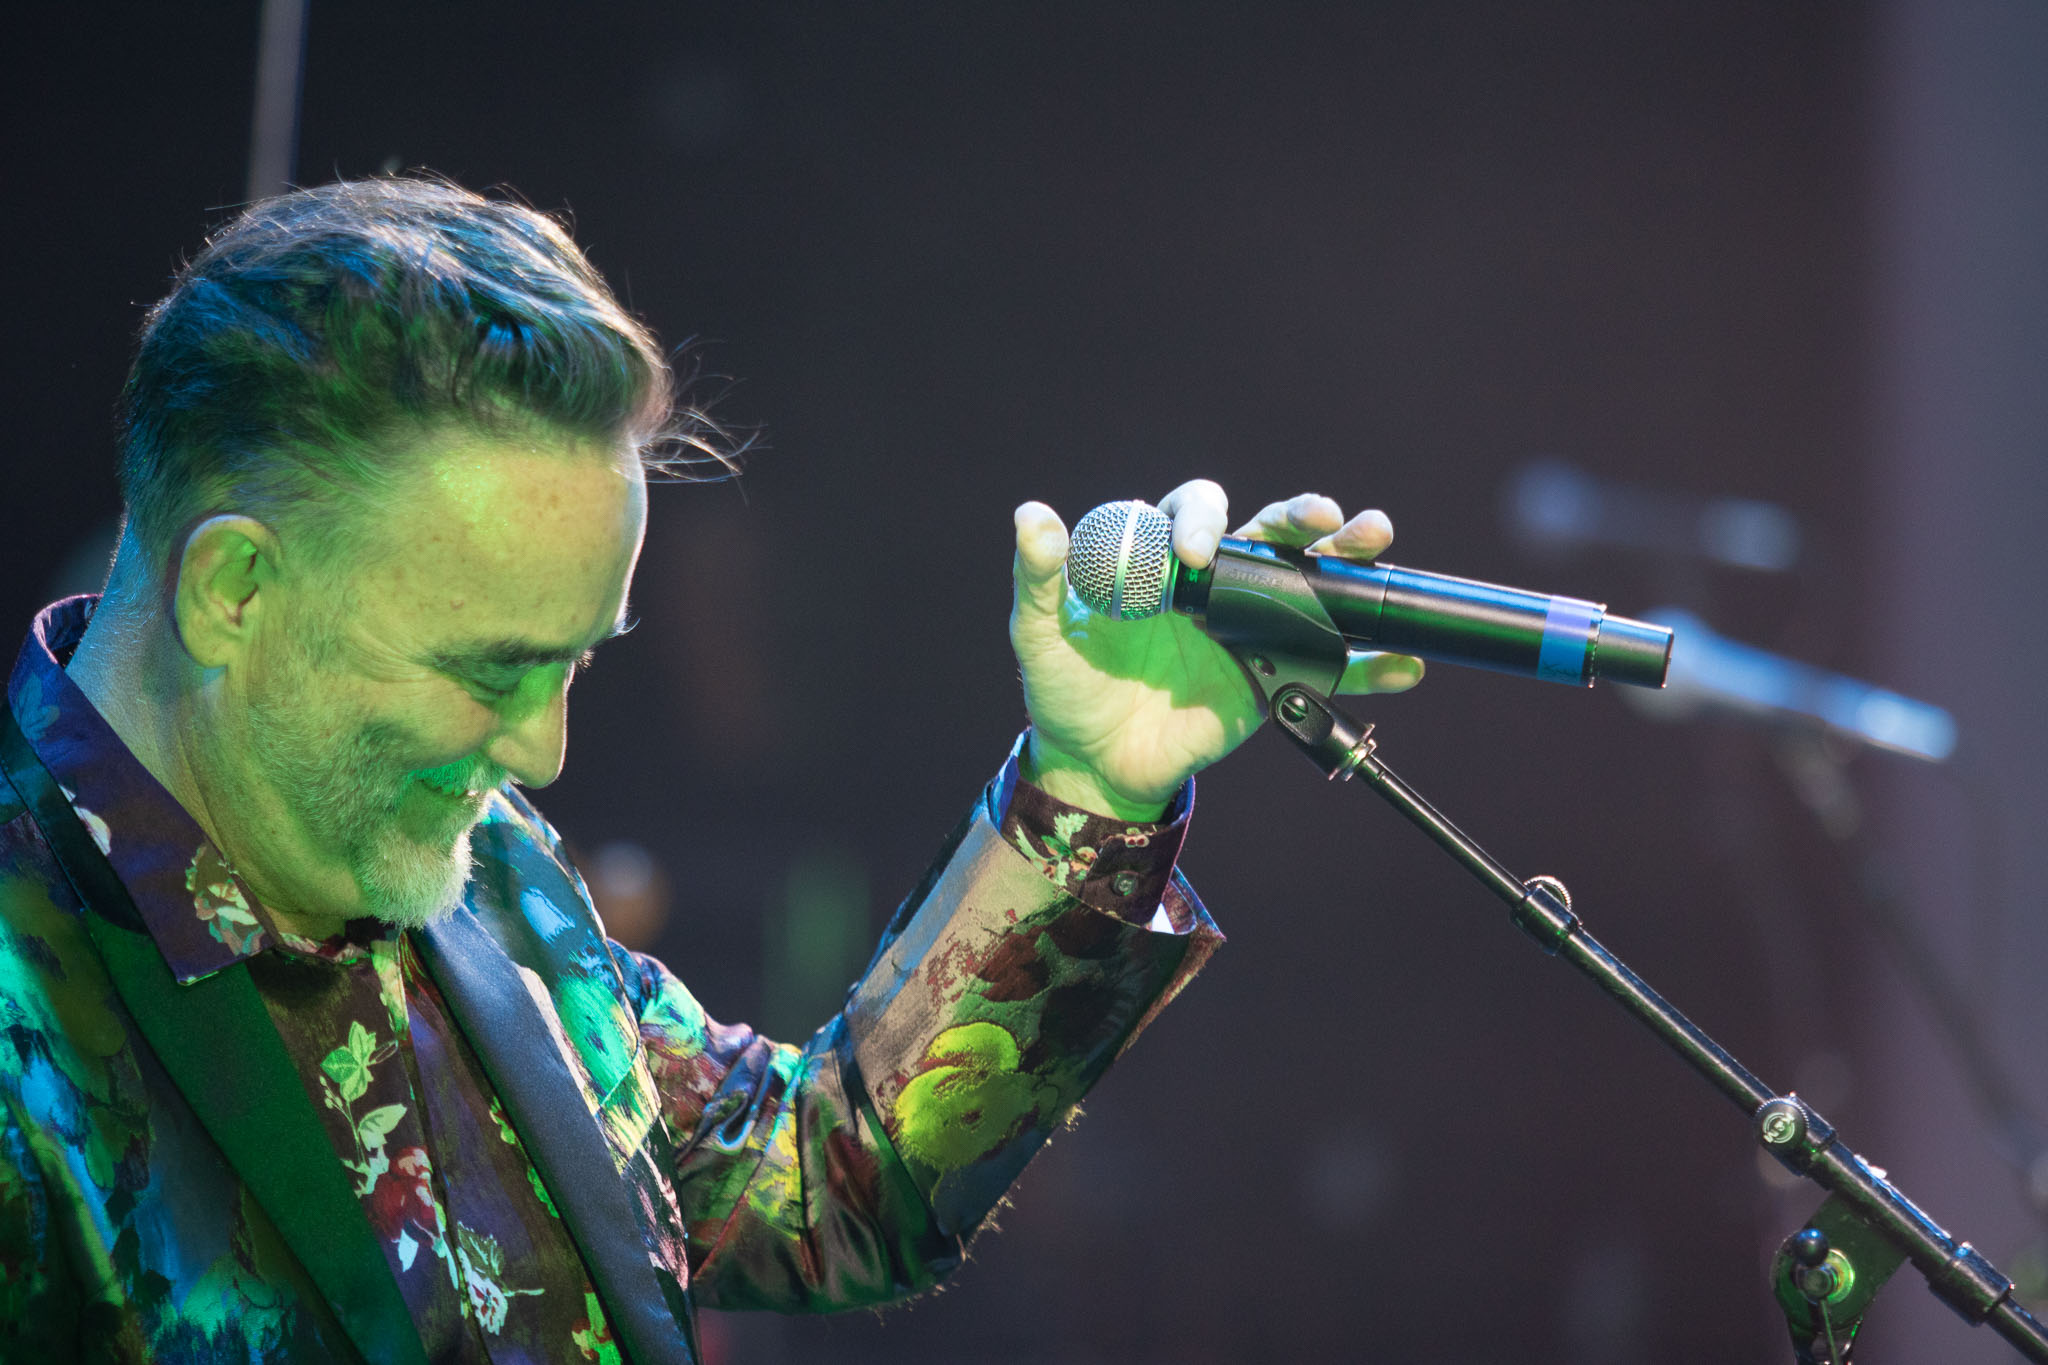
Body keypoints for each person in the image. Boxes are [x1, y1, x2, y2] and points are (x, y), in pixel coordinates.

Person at [0, 178, 1417, 1362]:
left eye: (575, 665)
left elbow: (823, 1187)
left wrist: (1090, 792)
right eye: (490, 669)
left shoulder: (487, 871)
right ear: (236, 591)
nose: (544, 751)